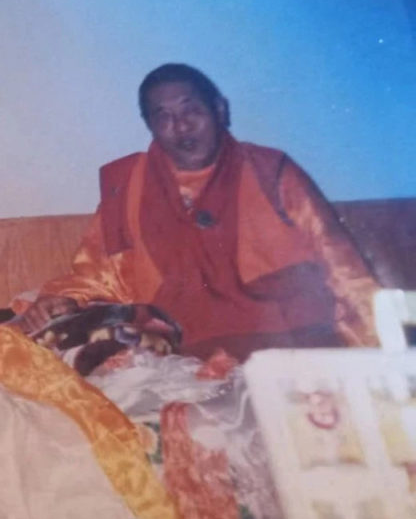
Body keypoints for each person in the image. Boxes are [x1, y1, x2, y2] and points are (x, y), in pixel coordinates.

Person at [20, 63, 380, 360]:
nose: (181, 126)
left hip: (281, 341)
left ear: (220, 109)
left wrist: (381, 355)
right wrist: (60, 299)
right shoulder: (130, 186)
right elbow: (97, 272)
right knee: (9, 345)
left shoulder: (271, 172)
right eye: (163, 117)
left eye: (191, 110)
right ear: (150, 126)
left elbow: (345, 270)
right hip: (173, 346)